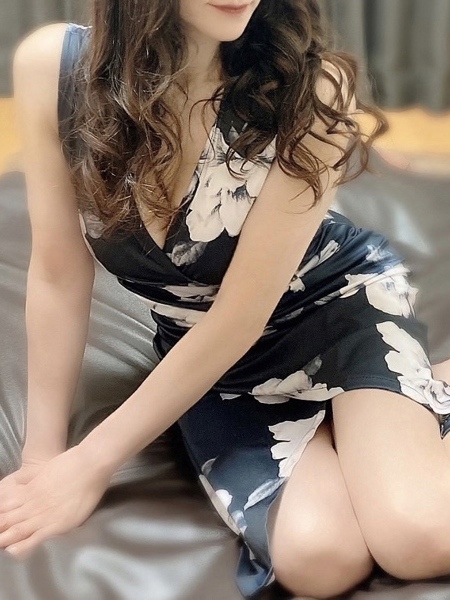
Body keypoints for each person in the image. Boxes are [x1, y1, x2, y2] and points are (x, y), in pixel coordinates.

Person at [2, 0, 450, 598]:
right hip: (215, 364)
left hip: (335, 312)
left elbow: (241, 316)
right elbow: (59, 272)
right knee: (319, 561)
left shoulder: (312, 89)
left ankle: (405, 391)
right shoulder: (55, 71)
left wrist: (90, 464)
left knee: (416, 537)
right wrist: (42, 463)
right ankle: (388, 410)